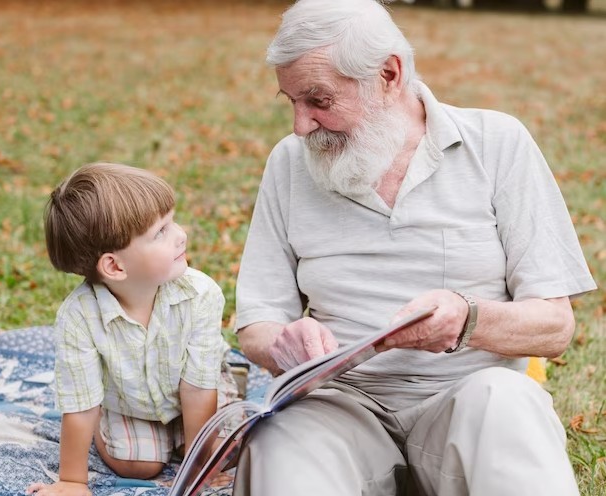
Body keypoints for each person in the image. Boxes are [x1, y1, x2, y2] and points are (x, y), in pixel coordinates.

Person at [233, 1, 597, 495]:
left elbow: (555, 327)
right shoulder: (290, 164)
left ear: (388, 73)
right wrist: (282, 342)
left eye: (318, 100)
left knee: (507, 405)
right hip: (340, 406)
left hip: (471, 400)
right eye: (291, 101)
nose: (301, 125)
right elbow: (257, 322)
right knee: (280, 444)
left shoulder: (497, 143)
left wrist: (469, 319)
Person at [26, 163, 237, 496]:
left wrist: (200, 466)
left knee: (228, 448)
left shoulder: (200, 294)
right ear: (114, 265)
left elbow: (197, 388)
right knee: (136, 464)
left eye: (172, 221)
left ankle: (211, 410)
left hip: (194, 392)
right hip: (131, 401)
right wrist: (72, 481)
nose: (180, 233)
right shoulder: (79, 316)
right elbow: (81, 404)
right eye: (161, 232)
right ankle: (111, 426)